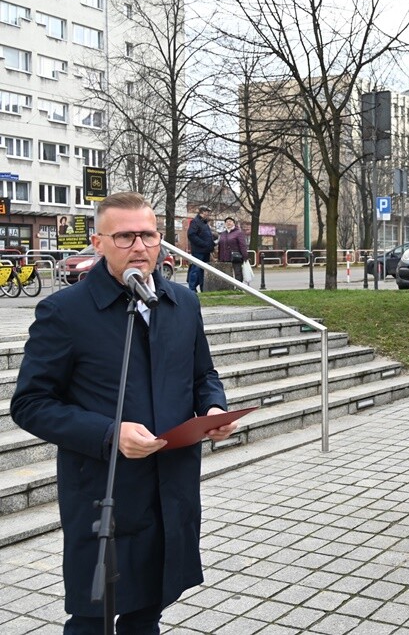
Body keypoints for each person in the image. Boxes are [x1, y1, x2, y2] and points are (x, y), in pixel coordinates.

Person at [11, 192, 237, 633]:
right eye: (125, 236)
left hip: (169, 485)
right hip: (104, 490)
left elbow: (202, 374)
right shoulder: (65, 312)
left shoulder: (182, 304)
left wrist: (214, 407)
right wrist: (109, 433)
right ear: (98, 242)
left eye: (149, 234)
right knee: (92, 615)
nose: (139, 246)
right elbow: (30, 404)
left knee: (147, 608)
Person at [186, 206, 214, 292]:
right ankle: (192, 289)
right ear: (202, 212)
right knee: (196, 270)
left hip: (205, 251)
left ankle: (203, 288)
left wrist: (211, 245)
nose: (208, 214)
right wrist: (204, 244)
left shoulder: (204, 223)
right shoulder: (195, 222)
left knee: (203, 271)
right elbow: (191, 235)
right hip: (199, 251)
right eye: (207, 212)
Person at [217, 217, 249, 283]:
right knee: (226, 273)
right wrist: (219, 257)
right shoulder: (223, 234)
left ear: (233, 223)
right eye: (227, 222)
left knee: (237, 272)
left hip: (236, 256)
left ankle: (239, 287)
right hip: (224, 257)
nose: (228, 223)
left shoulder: (238, 233)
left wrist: (245, 256)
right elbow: (220, 245)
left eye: (230, 221)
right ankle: (228, 287)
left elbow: (242, 245)